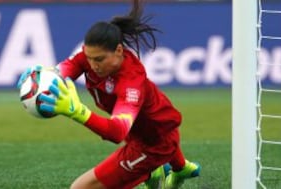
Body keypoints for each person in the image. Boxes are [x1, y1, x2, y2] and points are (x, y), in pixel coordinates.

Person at [18, 0, 200, 188]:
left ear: (119, 51)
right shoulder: (90, 56)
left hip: (152, 146)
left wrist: (78, 112)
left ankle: (160, 169)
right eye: (89, 58)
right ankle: (177, 169)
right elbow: (70, 66)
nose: (93, 64)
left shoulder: (131, 81)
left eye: (99, 59)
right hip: (145, 131)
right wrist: (47, 76)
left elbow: (117, 131)